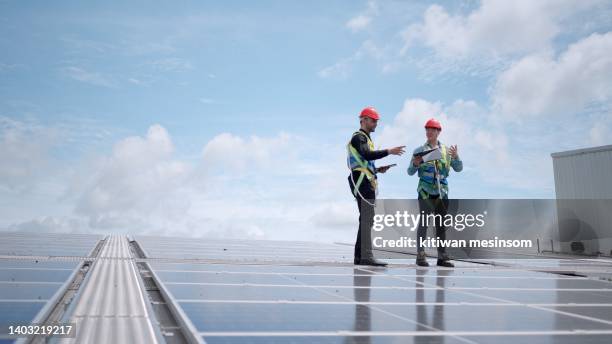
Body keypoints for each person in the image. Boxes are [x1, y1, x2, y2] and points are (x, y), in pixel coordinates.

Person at [347, 106, 405, 266]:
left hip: (364, 179)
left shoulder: (366, 139)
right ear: (363, 120)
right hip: (362, 181)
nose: (375, 124)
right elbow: (366, 154)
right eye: (373, 120)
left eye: (376, 121)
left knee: (366, 218)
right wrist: (389, 151)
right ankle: (366, 256)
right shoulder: (359, 138)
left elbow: (364, 160)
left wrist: (378, 169)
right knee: (367, 218)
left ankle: (359, 257)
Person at [407, 118, 462, 267]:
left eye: (432, 129)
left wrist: (456, 157)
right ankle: (420, 256)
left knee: (441, 225)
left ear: (438, 132)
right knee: (424, 223)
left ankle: (442, 256)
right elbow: (410, 172)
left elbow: (458, 168)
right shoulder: (419, 151)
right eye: (427, 129)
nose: (429, 132)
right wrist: (415, 163)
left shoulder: (446, 151)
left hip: (441, 192)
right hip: (425, 191)